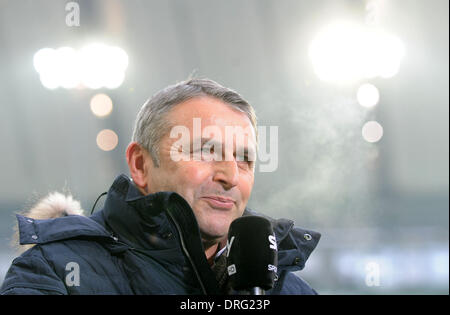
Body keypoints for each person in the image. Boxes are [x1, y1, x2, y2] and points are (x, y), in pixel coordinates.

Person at [1, 78, 320, 295]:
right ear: (140, 164)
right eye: (207, 152)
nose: (231, 176)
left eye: (245, 159)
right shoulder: (54, 272)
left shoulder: (288, 288)